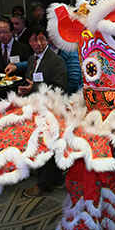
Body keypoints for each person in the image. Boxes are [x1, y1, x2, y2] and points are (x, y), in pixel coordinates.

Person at [20, 25, 67, 198]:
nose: (38, 43)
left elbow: (61, 88)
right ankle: (55, 179)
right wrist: (25, 90)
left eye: (42, 39)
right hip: (37, 108)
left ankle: (43, 185)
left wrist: (35, 87)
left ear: (47, 40)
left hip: (51, 110)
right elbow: (30, 80)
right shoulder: (33, 58)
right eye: (34, 39)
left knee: (44, 146)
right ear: (29, 42)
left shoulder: (55, 60)